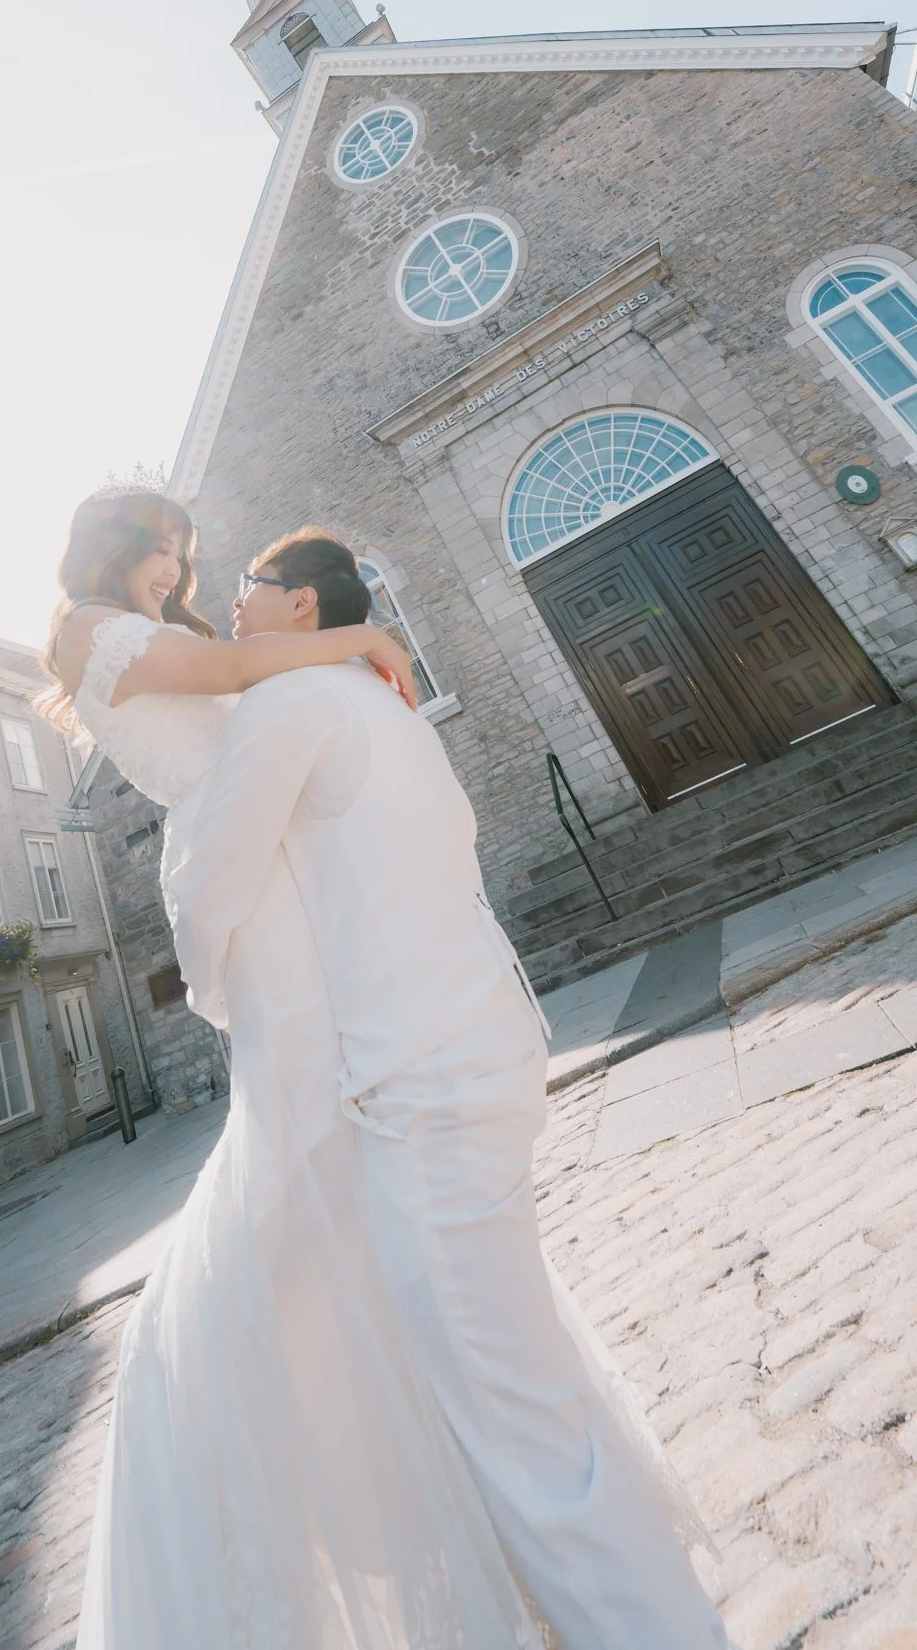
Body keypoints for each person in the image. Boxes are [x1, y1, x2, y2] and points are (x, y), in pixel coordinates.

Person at [42, 493, 731, 1648]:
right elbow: (230, 687)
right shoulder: (90, 630)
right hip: (270, 902)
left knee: (373, 1216)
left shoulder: (277, 686)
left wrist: (339, 651)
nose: (179, 571)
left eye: (192, 558)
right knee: (318, 1189)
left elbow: (249, 683)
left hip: (312, 912)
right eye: (165, 552)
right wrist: (364, 637)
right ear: (115, 547)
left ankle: (460, 1509)